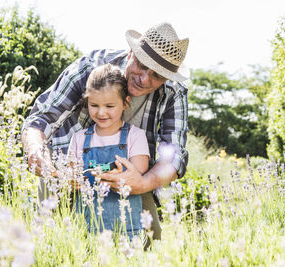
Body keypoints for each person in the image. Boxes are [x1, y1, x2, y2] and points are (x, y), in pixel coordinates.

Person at [21, 22, 190, 240]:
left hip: (133, 181)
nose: (144, 79)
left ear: (167, 77)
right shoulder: (91, 68)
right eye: (141, 65)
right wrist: (36, 153)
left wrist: (143, 183)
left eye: (157, 75)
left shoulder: (174, 92)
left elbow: (175, 154)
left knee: (149, 240)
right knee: (50, 239)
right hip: (68, 174)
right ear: (132, 53)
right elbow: (41, 118)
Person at [68, 63, 149, 236]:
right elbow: (69, 175)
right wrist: (71, 180)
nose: (101, 113)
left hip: (126, 230)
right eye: (94, 105)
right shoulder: (79, 138)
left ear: (125, 103)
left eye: (109, 106)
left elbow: (138, 175)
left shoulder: (135, 136)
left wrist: (115, 176)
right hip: (86, 227)